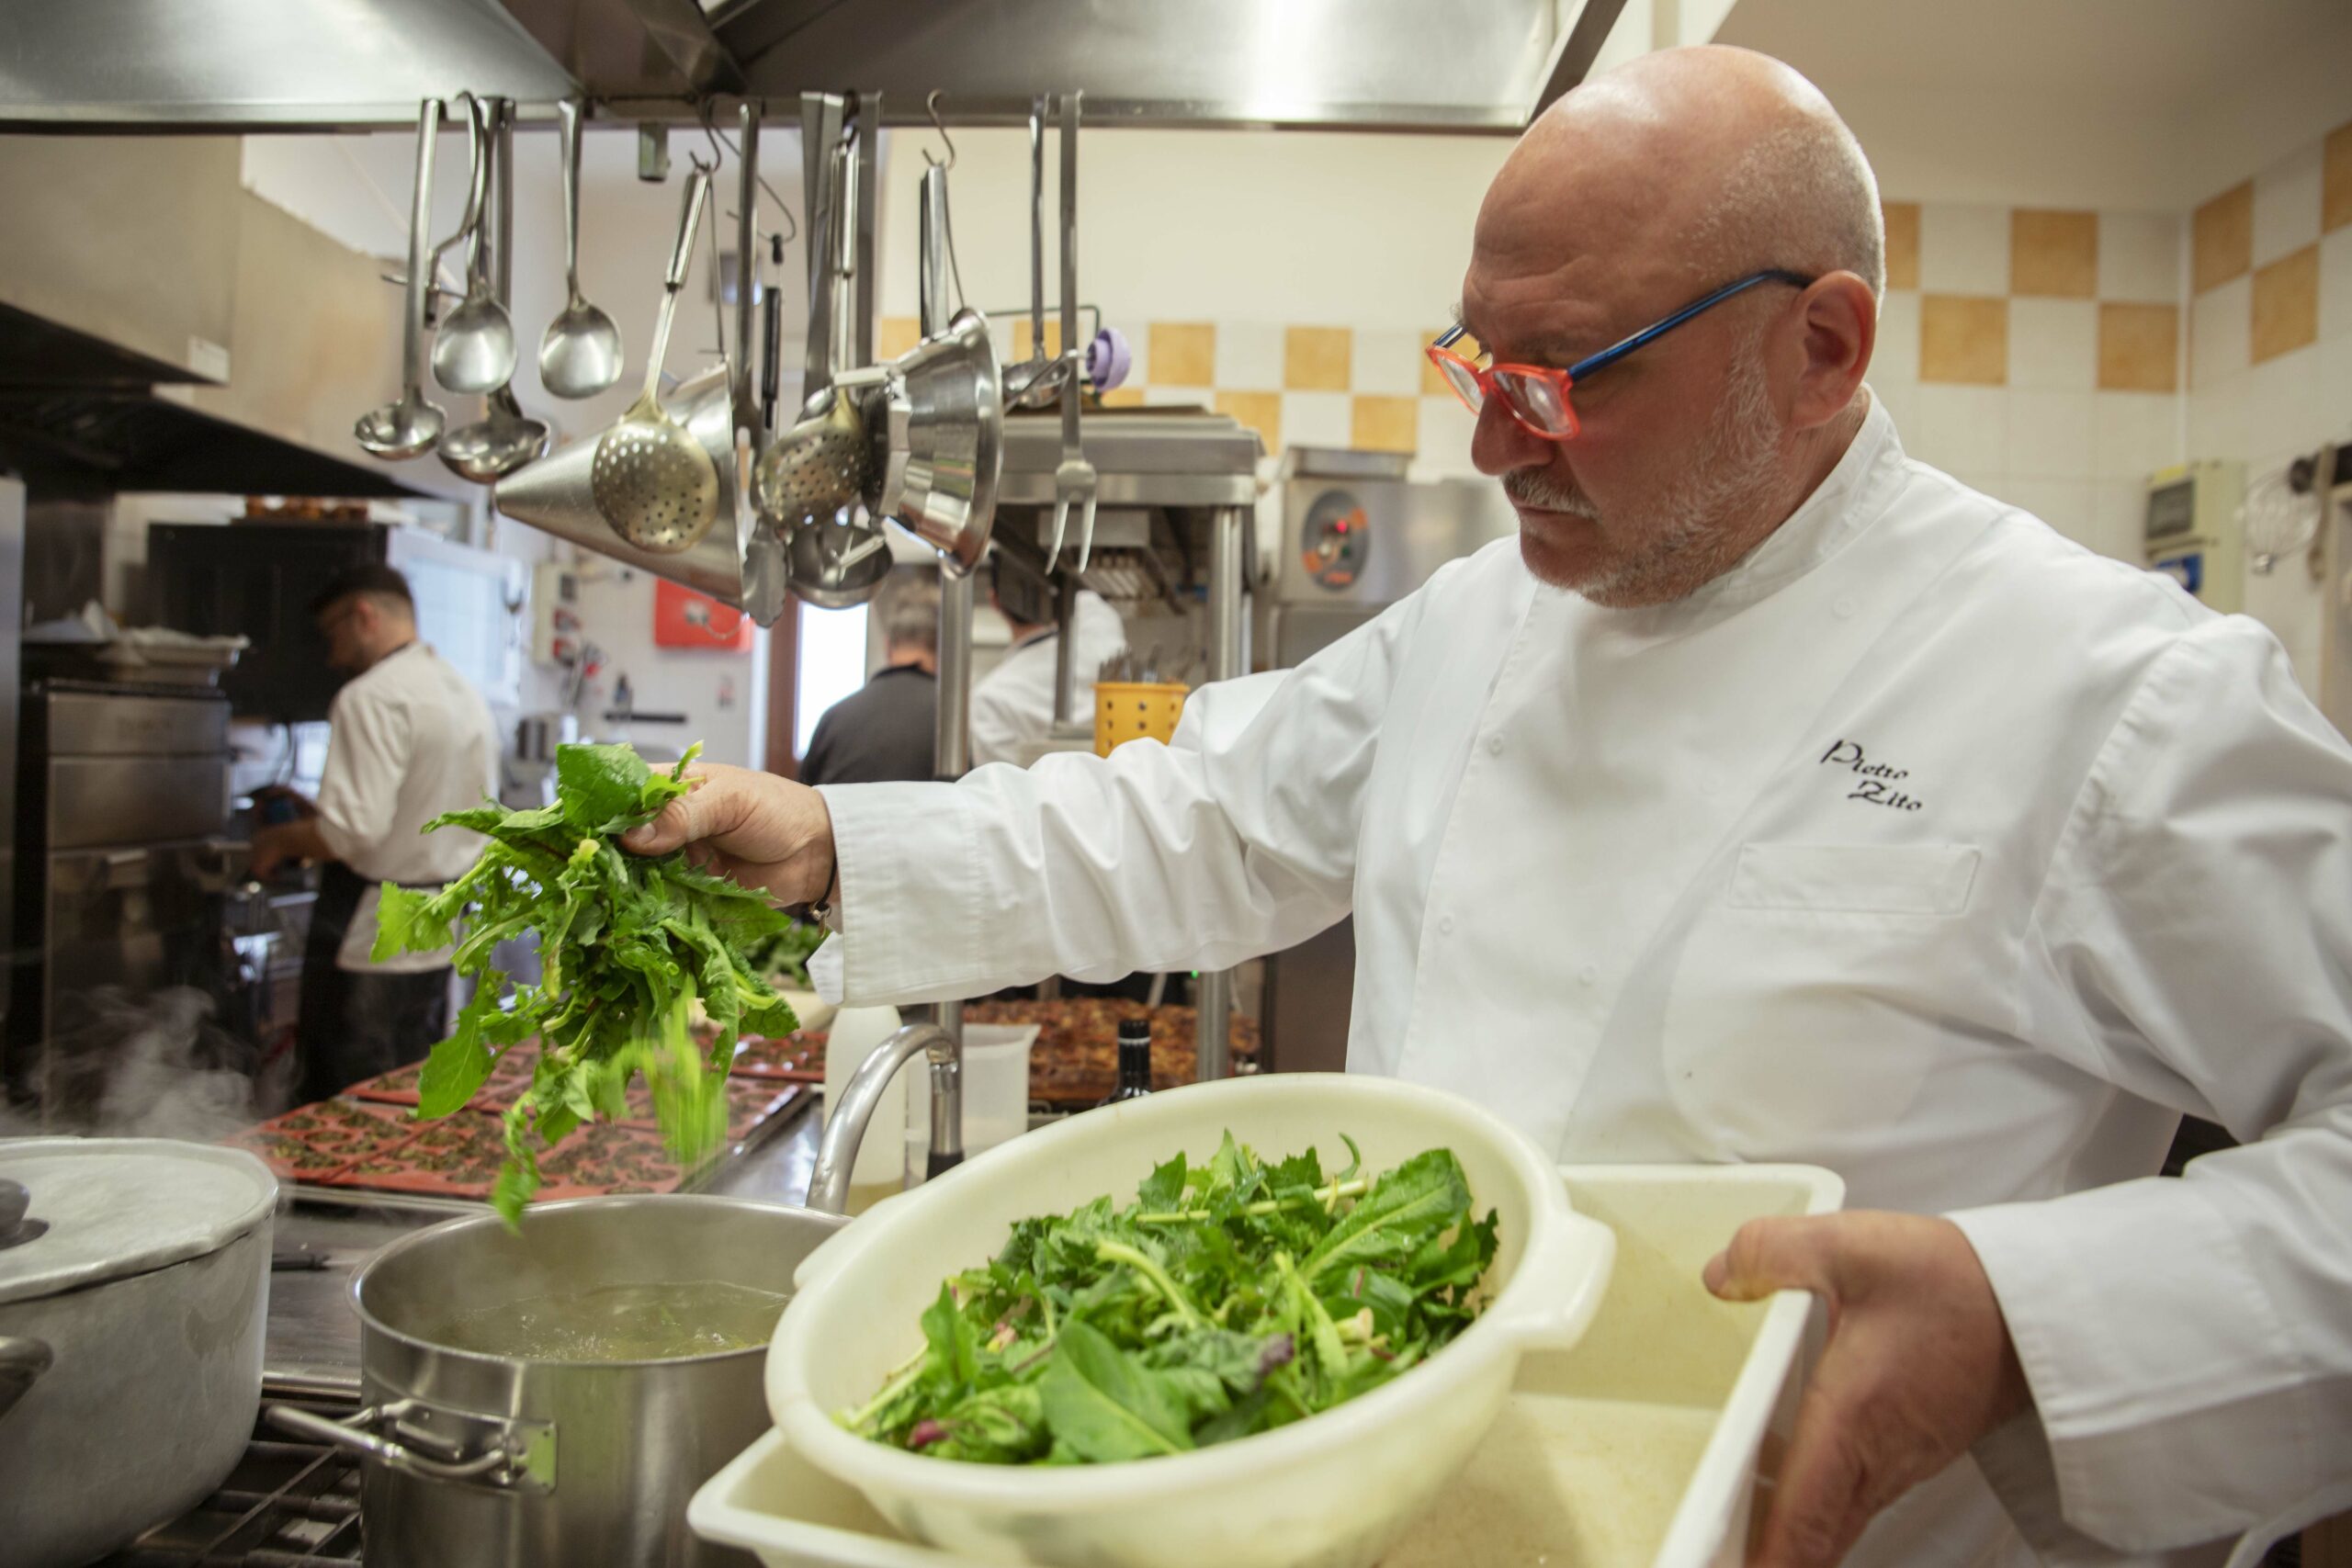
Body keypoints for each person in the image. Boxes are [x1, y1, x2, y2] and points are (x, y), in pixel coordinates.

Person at [623, 47, 2352, 1568]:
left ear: (1821, 347)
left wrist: (2030, 1327)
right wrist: (836, 841)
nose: (1495, 448)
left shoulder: (2111, 694)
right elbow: (1203, 818)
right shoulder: (1480, 622)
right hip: (1410, 1498)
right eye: (1479, 364)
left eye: (1569, 376)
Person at [251, 563, 499, 1104]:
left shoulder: (370, 697)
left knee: (342, 1103)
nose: (331, 655)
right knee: (407, 1094)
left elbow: (351, 833)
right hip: (440, 926)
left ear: (363, 616)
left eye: (331, 635)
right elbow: (421, 810)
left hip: (372, 931)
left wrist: (278, 841)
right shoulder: (461, 692)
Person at [968, 560, 1127, 767]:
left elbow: (1001, 780)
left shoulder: (988, 699)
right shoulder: (1100, 625)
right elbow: (1085, 599)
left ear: (994, 601)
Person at [799, 571, 941, 787]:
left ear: (888, 645)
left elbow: (803, 796)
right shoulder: (952, 722)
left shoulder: (835, 717)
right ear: (943, 649)